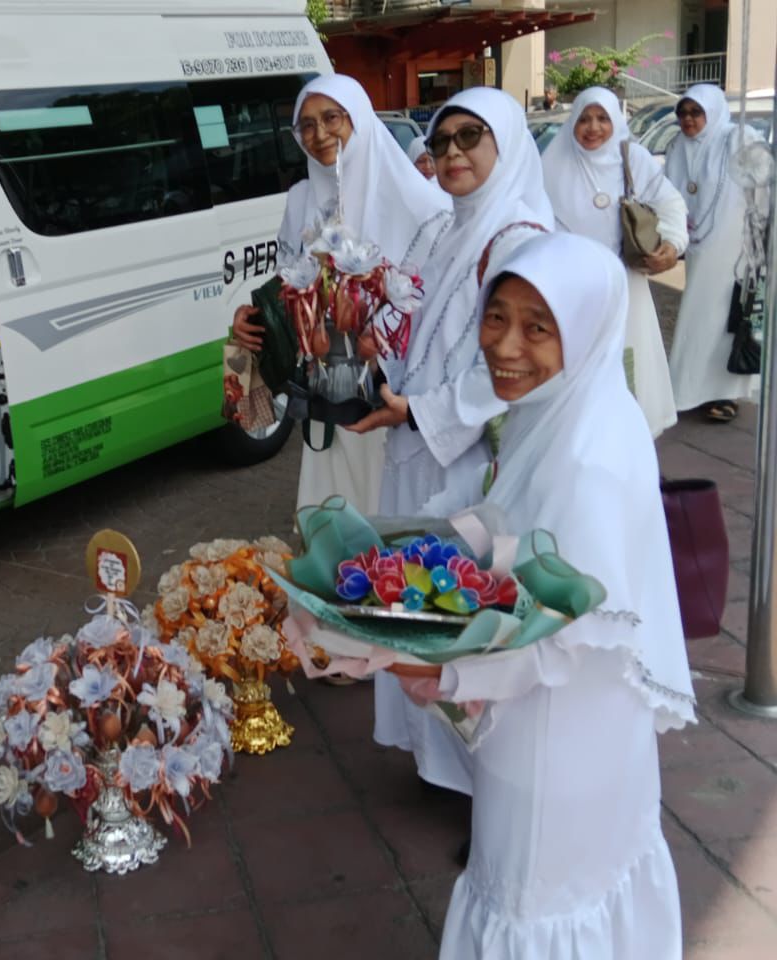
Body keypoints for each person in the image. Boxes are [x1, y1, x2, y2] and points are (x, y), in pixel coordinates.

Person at [413, 231, 695, 957]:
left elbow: (558, 634)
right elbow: (524, 526)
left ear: (587, 326)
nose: (505, 345)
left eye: (539, 327)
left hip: (556, 729)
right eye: (495, 315)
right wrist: (426, 553)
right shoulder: (576, 404)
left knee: (534, 891)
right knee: (583, 878)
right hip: (592, 725)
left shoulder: (588, 456)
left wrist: (444, 671)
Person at [349, 87, 555, 796]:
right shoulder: (443, 229)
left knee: (463, 613)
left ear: (506, 145)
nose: (453, 154)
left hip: (473, 460)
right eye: (440, 143)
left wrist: (418, 410)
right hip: (416, 443)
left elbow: (511, 366)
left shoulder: (521, 237)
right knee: (418, 605)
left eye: (471, 138)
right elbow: (406, 321)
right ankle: (443, 763)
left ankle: (489, 787)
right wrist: (369, 363)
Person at [231, 75, 449, 517]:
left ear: (360, 121)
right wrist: (252, 318)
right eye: (306, 125)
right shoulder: (300, 200)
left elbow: (443, 308)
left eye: (331, 118)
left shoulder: (422, 206)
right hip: (325, 405)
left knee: (390, 532)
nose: (319, 134)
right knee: (331, 524)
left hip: (395, 407)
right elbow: (286, 286)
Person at [542, 86, 686, 437]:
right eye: (584, 119)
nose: (593, 128)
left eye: (603, 118)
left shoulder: (632, 159)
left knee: (628, 358)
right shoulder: (552, 164)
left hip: (625, 286)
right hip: (572, 291)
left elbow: (671, 205)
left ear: (616, 120)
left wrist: (671, 245)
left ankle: (630, 444)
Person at [665, 83, 767, 422]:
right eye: (683, 113)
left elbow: (763, 178)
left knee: (725, 319)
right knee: (697, 317)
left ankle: (724, 393)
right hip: (698, 245)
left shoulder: (736, 137)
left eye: (696, 112)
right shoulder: (679, 147)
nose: (688, 119)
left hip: (733, 248)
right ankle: (691, 388)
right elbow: (672, 192)